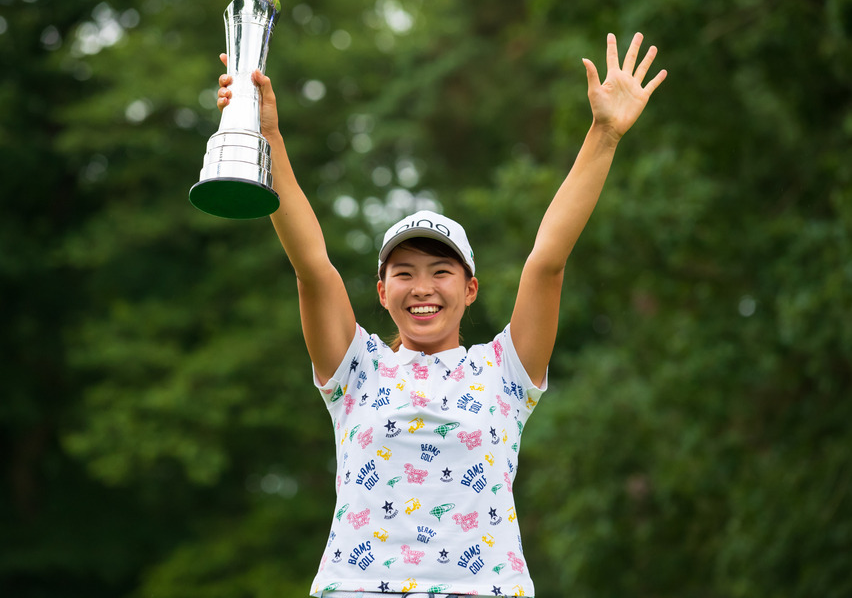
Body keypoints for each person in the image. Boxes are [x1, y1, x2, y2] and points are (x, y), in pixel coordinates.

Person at [216, 32, 666, 598]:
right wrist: (270, 137)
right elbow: (311, 265)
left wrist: (603, 135)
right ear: (382, 292)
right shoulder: (358, 371)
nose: (422, 288)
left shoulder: (504, 373)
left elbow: (547, 262)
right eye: (403, 273)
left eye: (441, 271)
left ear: (471, 288)